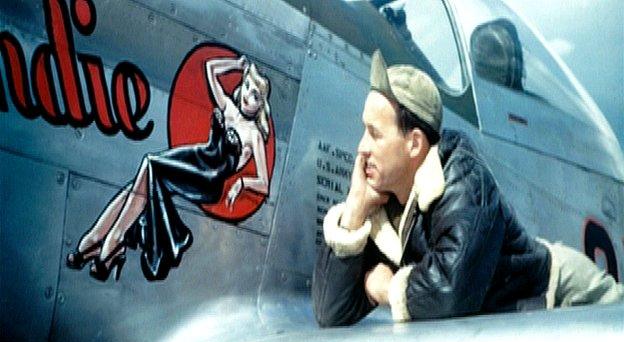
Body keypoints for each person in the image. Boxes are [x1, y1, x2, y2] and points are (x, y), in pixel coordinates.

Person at [312, 50, 623, 327]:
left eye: (374, 134)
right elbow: (331, 313)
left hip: (558, 291)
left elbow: (451, 291)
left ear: (414, 143)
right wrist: (355, 208)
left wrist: (386, 288)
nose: (361, 148)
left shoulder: (463, 180)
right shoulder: (384, 201)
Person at [66, 55, 271, 281]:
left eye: (255, 95)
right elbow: (209, 68)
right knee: (141, 182)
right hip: (197, 157)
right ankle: (98, 238)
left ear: (261, 104)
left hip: (209, 178)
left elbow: (263, 183)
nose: (247, 96)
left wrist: (242, 183)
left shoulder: (254, 135)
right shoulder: (229, 108)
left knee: (151, 165)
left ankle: (113, 239)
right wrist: (236, 64)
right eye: (248, 86)